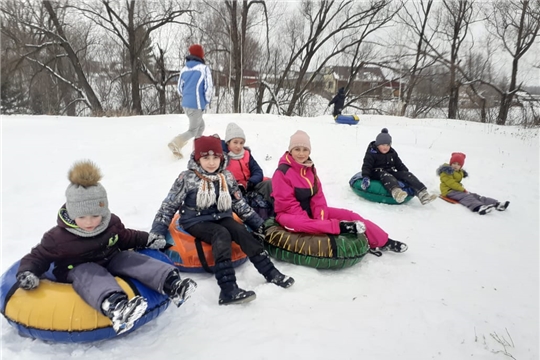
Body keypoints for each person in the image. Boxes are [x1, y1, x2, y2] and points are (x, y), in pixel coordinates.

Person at [15, 160, 197, 335]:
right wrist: (28, 272)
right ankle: (116, 307)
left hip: (109, 258)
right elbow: (38, 256)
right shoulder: (57, 237)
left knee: (130, 258)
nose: (90, 222)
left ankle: (171, 285)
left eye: (95, 216)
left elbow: (126, 237)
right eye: (82, 217)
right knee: (90, 272)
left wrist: (148, 239)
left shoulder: (111, 223)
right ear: (72, 213)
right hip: (76, 268)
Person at [150, 135, 294, 306]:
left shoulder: (226, 176)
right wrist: (157, 232)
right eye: (205, 158)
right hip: (196, 221)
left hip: (222, 216)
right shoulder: (187, 178)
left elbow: (239, 203)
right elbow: (169, 205)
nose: (211, 162)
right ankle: (228, 289)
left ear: (222, 157)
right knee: (221, 234)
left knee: (242, 232)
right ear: (197, 159)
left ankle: (271, 273)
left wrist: (258, 224)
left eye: (215, 157)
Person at [271, 130, 407, 254]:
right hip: (288, 214)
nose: (301, 153)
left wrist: (320, 217)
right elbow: (287, 204)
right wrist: (311, 221)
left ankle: (383, 241)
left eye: (305, 149)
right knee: (302, 224)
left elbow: (318, 197)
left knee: (349, 214)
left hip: (310, 211)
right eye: (297, 149)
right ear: (290, 150)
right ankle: (341, 228)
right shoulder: (282, 172)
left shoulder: (309, 169)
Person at [360, 128, 437, 205]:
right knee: (386, 175)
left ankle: (423, 194)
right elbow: (367, 166)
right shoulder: (372, 153)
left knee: (407, 174)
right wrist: (366, 177)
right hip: (376, 172)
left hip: (390, 171)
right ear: (377, 144)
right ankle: (396, 193)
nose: (385, 147)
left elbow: (399, 164)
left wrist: (405, 174)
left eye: (388, 145)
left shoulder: (392, 152)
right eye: (383, 144)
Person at [168, 44, 214, 158]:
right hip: (196, 104)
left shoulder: (184, 69)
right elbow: (208, 88)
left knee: (201, 126)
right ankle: (176, 143)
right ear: (201, 55)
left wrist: (188, 97)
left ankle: (197, 150)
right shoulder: (204, 69)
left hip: (186, 104)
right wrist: (206, 101)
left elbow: (179, 89)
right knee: (193, 130)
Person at [436, 152, 510, 215]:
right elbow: (451, 183)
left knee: (475, 196)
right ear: (450, 163)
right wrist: (462, 189)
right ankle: (479, 207)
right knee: (466, 197)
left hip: (456, 190)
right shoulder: (446, 172)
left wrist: (462, 189)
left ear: (461, 166)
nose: (456, 165)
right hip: (448, 191)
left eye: (458, 164)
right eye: (454, 163)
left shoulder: (459, 172)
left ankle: (496, 204)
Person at [221, 122, 273, 204]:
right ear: (228, 142)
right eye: (235, 142)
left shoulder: (246, 154)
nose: (238, 146)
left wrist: (252, 182)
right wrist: (235, 187)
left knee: (270, 183)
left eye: (241, 143)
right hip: (234, 190)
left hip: (250, 185)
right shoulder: (223, 157)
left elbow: (257, 171)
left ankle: (276, 209)